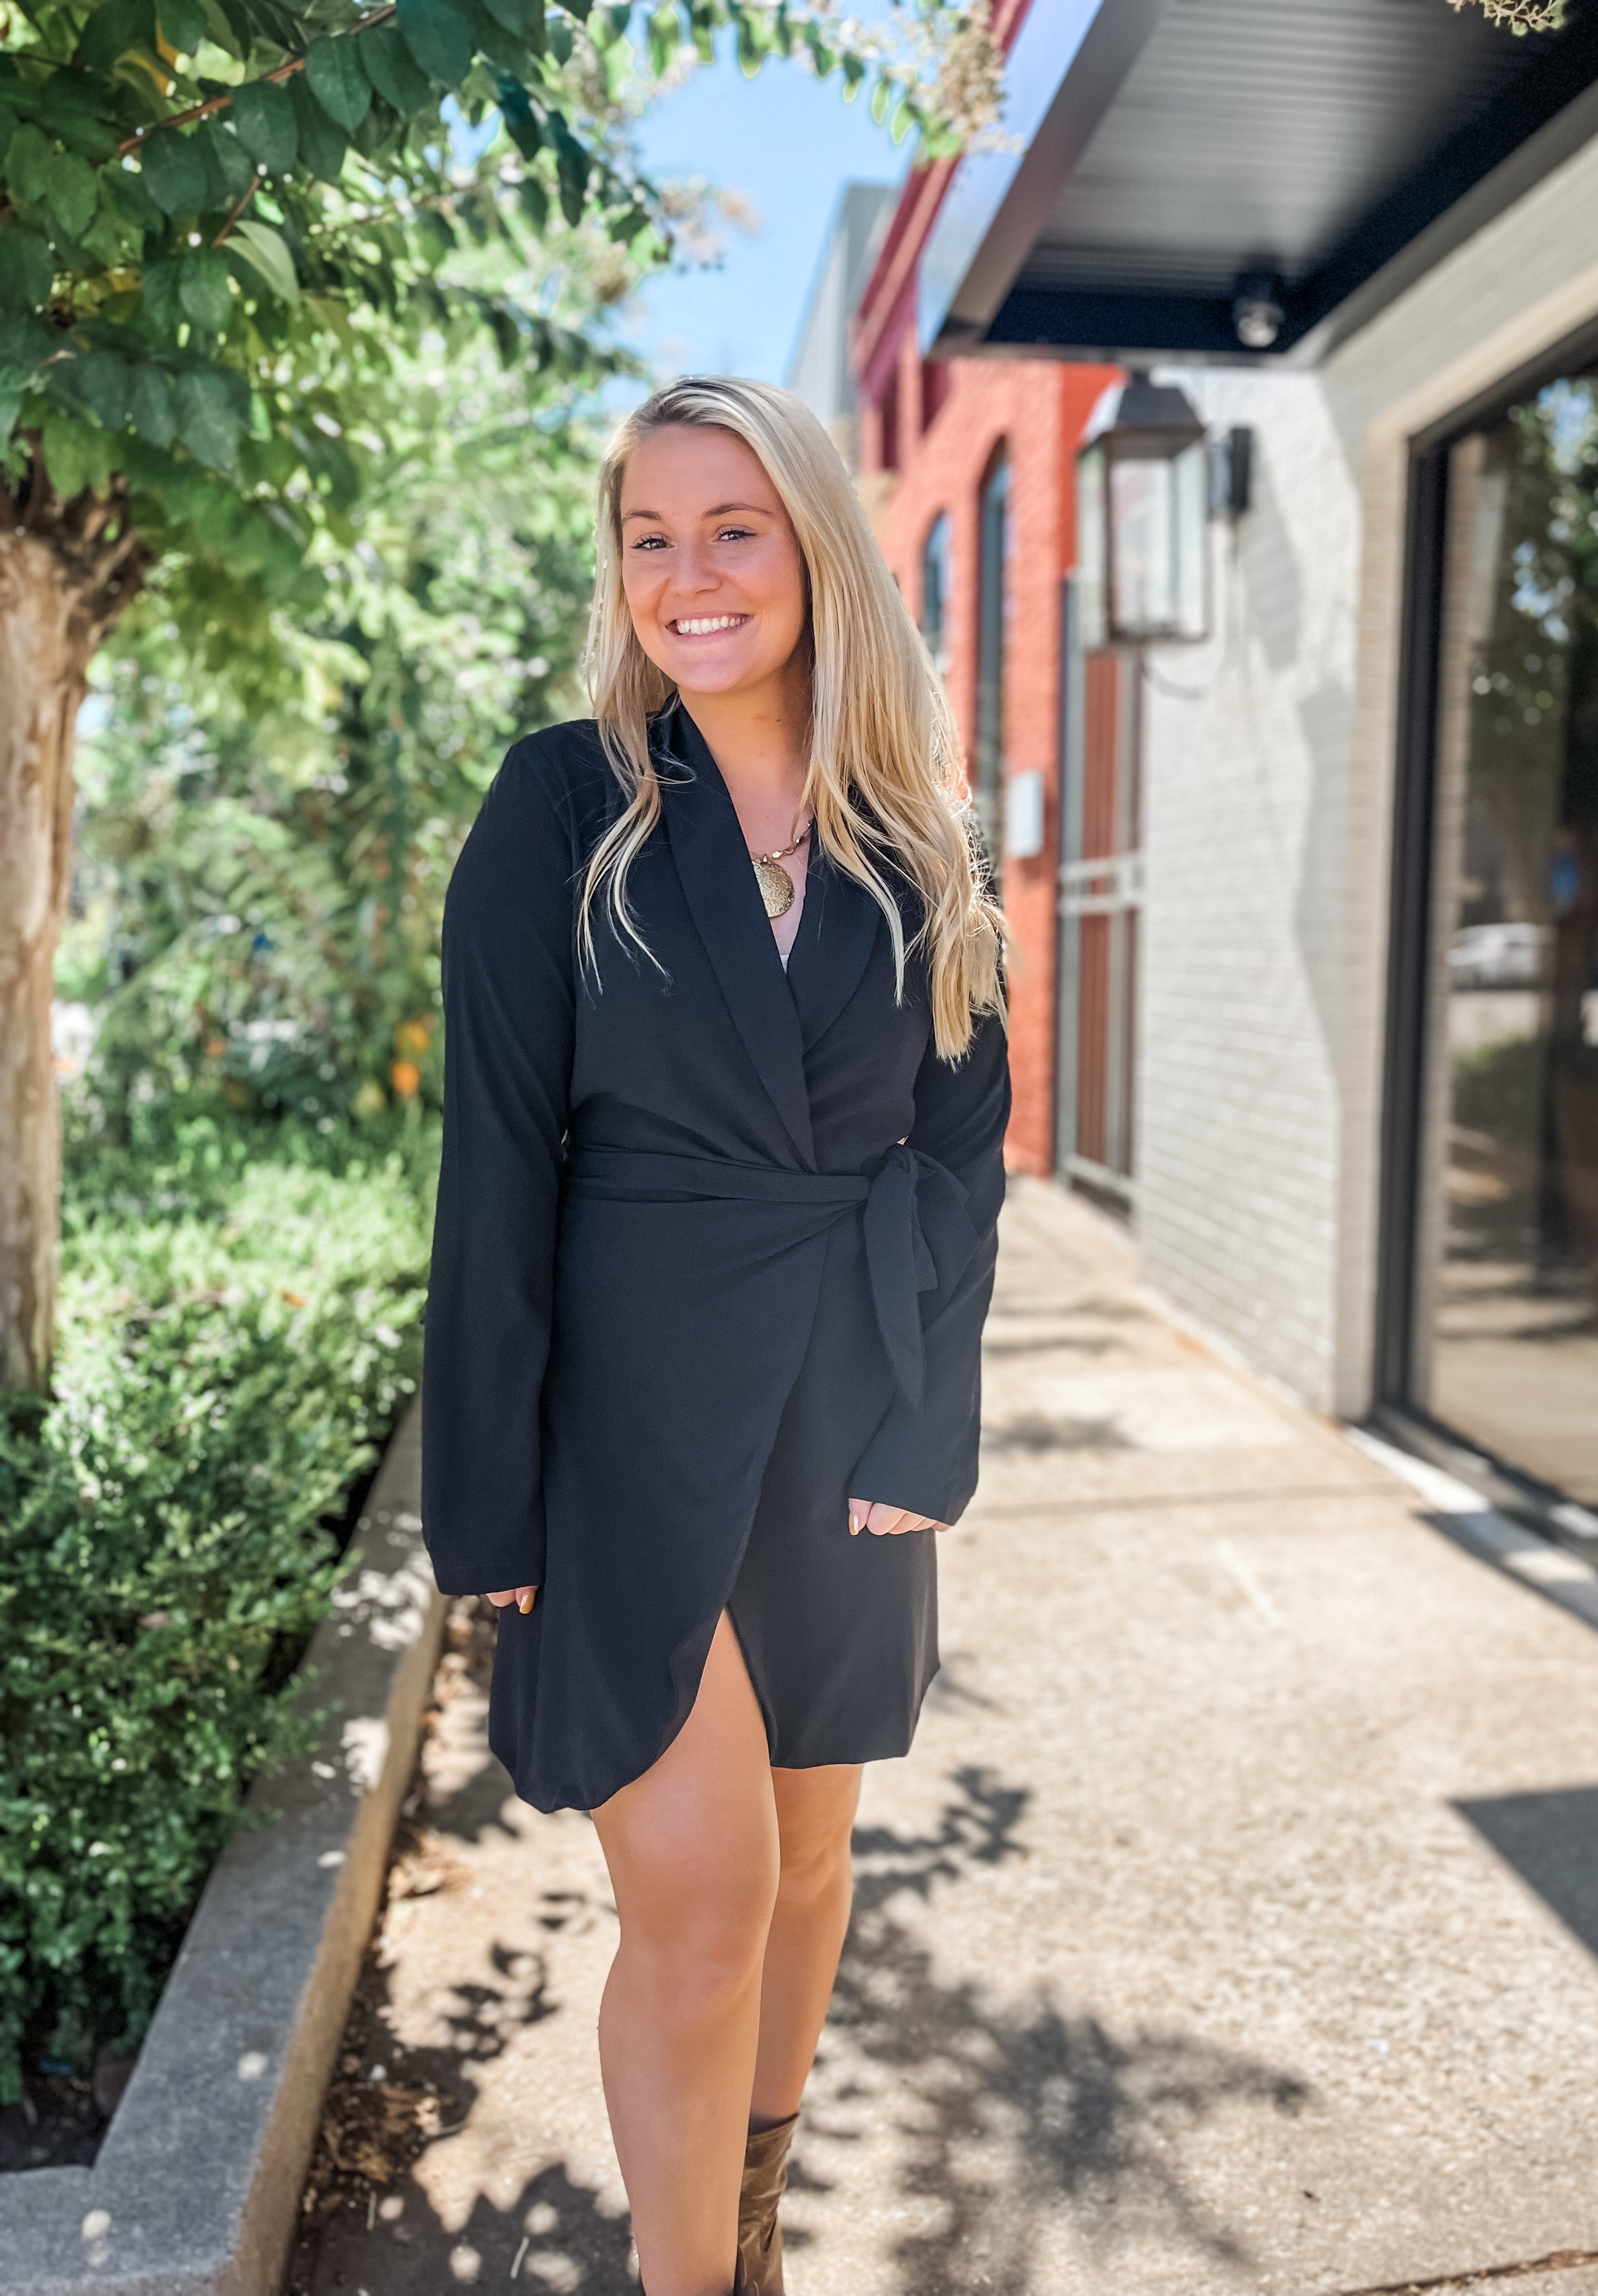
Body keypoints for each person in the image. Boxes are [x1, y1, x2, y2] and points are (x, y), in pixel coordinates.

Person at [421, 375, 1010, 2296]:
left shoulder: (913, 831)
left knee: (815, 1866)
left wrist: (933, 1433)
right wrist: (490, 1512)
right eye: (649, 536)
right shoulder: (561, 805)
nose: (688, 575)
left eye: (732, 529)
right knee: (706, 1899)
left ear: (816, 549)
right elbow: (495, 1167)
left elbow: (963, 1150)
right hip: (631, 1423)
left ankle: (748, 2233)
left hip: (849, 1410)